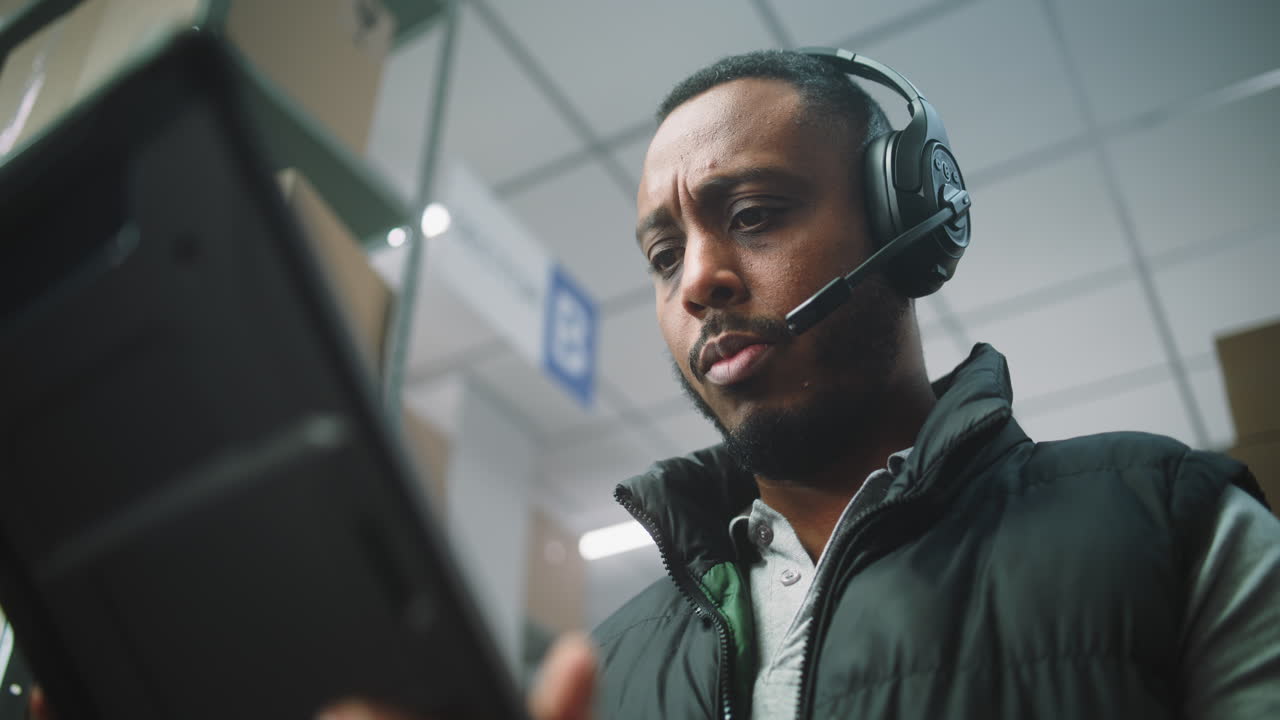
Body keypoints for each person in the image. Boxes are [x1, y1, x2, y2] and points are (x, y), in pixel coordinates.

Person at [62, 49, 1279, 720]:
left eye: (751, 214)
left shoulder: (1164, 527)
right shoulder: (613, 665)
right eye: (660, 256)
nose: (697, 279)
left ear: (912, 227)